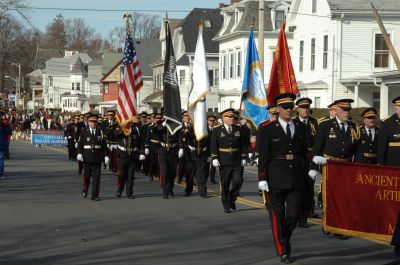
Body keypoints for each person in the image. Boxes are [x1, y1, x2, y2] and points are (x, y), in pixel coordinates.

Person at [257, 93, 310, 263]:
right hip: (275, 177)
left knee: (293, 214)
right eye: (285, 107)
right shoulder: (267, 129)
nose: (288, 110)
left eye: (291, 107)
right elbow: (263, 155)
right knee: (277, 216)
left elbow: (305, 152)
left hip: (296, 177)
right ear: (278, 109)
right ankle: (283, 250)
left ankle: (285, 236)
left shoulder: (301, 127)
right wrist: (262, 177)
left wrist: (308, 167)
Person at [309, 98, 359, 239]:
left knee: (343, 197)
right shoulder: (325, 126)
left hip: (346, 166)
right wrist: (314, 166)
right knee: (330, 196)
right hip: (330, 165)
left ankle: (339, 227)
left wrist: (358, 168)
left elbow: (357, 150)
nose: (346, 112)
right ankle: (328, 221)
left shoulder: (353, 127)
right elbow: (317, 147)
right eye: (344, 110)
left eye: (348, 110)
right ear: (336, 110)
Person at [211, 108, 246, 213]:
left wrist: (244, 157)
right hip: (224, 160)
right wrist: (214, 157)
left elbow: (243, 144)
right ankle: (226, 204)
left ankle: (231, 198)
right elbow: (213, 144)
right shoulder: (217, 129)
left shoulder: (238, 129)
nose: (232, 119)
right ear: (223, 118)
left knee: (238, 181)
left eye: (233, 117)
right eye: (229, 117)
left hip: (236, 160)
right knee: (225, 184)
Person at [377, 96, 400, 257]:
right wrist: (382, 168)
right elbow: (382, 148)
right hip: (393, 168)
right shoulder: (388, 123)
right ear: (396, 108)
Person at [293, 97, 319, 228]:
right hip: (296, 161)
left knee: (308, 190)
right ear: (298, 109)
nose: (306, 110)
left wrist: (315, 164)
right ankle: (295, 213)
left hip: (310, 160)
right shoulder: (292, 122)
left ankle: (304, 217)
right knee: (296, 190)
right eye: (303, 108)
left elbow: (318, 143)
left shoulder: (315, 123)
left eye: (307, 107)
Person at [76, 114, 108, 201]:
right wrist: (79, 153)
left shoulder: (100, 132)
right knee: (87, 176)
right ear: (88, 122)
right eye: (91, 122)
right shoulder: (84, 132)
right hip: (87, 157)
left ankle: (95, 195)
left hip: (97, 158)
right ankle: (85, 189)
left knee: (97, 178)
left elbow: (104, 146)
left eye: (95, 122)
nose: (93, 124)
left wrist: (106, 155)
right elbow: (80, 145)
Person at [152, 115, 183, 199]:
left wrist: (181, 148)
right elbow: (154, 130)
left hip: (173, 150)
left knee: (172, 172)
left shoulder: (176, 125)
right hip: (163, 150)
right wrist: (163, 124)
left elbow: (180, 136)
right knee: (165, 170)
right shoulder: (160, 124)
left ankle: (170, 188)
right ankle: (165, 191)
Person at [114, 117, 145, 199]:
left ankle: (129, 193)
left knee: (130, 175)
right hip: (123, 155)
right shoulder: (119, 128)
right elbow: (117, 134)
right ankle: (120, 189)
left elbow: (140, 141)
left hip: (133, 155)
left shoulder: (136, 129)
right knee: (121, 175)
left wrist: (142, 152)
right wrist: (124, 128)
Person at [207, 115, 217, 184]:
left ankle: (212, 179)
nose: (212, 122)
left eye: (213, 121)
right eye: (211, 120)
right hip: (206, 150)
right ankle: (204, 178)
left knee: (213, 166)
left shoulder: (216, 129)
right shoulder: (204, 129)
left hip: (214, 150)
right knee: (206, 166)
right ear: (208, 121)